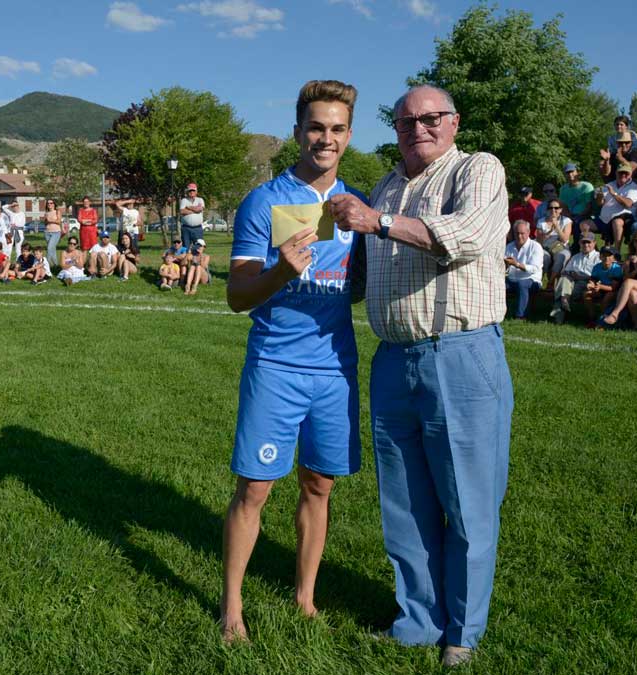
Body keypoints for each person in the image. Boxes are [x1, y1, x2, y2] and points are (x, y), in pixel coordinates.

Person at [331, 84, 511, 667]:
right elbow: (360, 270)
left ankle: (463, 630)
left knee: (467, 499)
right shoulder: (386, 185)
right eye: (407, 121)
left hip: (459, 352)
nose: (419, 129)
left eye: (432, 118)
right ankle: (416, 620)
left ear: (454, 122)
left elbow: (465, 238)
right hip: (393, 358)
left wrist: (377, 223)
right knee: (404, 504)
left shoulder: (476, 170)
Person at [221, 79, 367, 645]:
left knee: (319, 486)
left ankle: (305, 597)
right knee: (254, 489)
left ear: (348, 136)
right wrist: (282, 271)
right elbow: (237, 296)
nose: (324, 138)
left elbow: (352, 286)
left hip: (334, 370)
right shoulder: (266, 201)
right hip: (276, 367)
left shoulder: (353, 208)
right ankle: (232, 607)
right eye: (315, 127)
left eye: (335, 129)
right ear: (298, 131)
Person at [551, 233, 601, 323]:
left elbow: (599, 276)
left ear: (594, 243)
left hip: (588, 283)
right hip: (573, 282)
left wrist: (581, 277)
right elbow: (565, 272)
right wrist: (570, 274)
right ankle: (564, 300)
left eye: (588, 242)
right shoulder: (575, 257)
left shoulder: (598, 257)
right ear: (579, 243)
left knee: (561, 290)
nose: (586, 245)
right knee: (563, 279)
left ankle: (559, 316)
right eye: (583, 242)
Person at [593, 164, 637, 254]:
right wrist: (599, 197)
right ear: (616, 173)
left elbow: (628, 204)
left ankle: (616, 252)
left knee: (617, 222)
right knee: (584, 225)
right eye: (620, 173)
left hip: (624, 218)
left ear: (630, 174)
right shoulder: (609, 185)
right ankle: (596, 253)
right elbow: (600, 203)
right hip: (604, 218)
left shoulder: (634, 187)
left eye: (626, 173)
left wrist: (614, 194)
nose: (623, 175)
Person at [504, 220, 543, 319]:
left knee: (522, 284)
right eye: (517, 233)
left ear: (529, 232)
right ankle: (495, 312)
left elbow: (534, 269)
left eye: (522, 233)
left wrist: (516, 264)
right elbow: (505, 269)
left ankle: (520, 316)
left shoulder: (536, 247)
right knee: (496, 283)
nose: (519, 236)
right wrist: (506, 266)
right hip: (512, 279)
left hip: (532, 280)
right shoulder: (509, 246)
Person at [535, 199, 572, 289]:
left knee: (562, 256)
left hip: (561, 248)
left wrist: (557, 226)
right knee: (544, 256)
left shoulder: (566, 221)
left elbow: (565, 239)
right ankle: (537, 282)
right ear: (547, 209)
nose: (553, 210)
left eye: (556, 208)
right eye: (550, 208)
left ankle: (551, 282)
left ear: (560, 210)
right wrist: (549, 232)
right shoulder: (541, 221)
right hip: (545, 247)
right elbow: (539, 242)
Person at [585, 245, 624, 325]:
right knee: (586, 294)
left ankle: (602, 319)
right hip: (601, 289)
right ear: (600, 257)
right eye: (604, 255)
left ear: (613, 258)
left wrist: (599, 287)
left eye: (609, 255)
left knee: (607, 297)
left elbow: (613, 288)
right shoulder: (597, 267)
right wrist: (590, 284)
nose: (606, 258)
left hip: (614, 291)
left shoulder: (616, 268)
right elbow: (593, 279)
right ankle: (592, 317)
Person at [179, 183, 205, 248]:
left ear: (196, 192)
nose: (192, 192)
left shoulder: (200, 200)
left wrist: (188, 207)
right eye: (190, 191)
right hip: (186, 228)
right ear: (187, 191)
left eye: (193, 190)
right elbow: (182, 211)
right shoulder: (184, 200)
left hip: (197, 228)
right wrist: (195, 209)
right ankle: (186, 258)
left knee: (198, 248)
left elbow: (199, 210)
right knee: (185, 248)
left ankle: (196, 258)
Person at [43, 198, 64, 267]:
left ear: (54, 204)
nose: (49, 204)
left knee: (49, 248)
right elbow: (45, 223)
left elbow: (58, 221)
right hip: (47, 232)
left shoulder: (57, 211)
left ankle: (46, 266)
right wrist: (46, 221)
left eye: (51, 203)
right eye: (48, 203)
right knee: (53, 249)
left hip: (56, 232)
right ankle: (56, 266)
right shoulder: (46, 213)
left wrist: (51, 220)